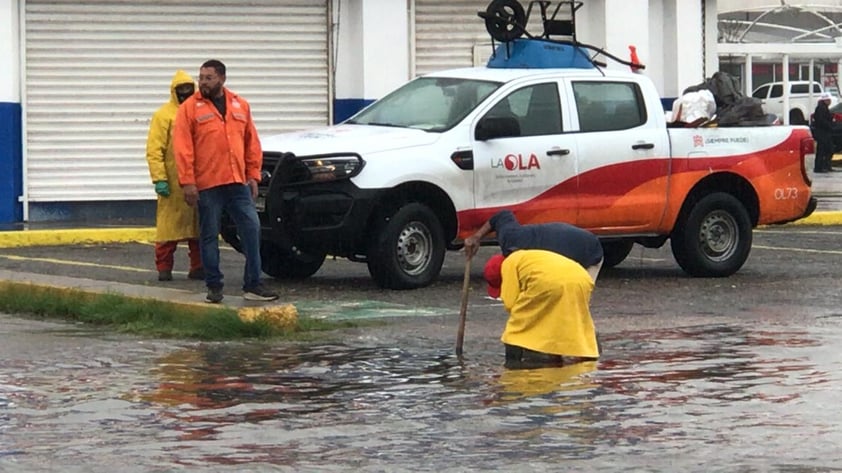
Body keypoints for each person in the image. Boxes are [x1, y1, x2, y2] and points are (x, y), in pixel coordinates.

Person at [173, 59, 278, 303]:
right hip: (208, 184)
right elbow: (183, 148)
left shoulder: (240, 105)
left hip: (237, 182)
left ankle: (253, 284)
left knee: (252, 229)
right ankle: (214, 287)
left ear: (222, 78)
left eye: (208, 78)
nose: (203, 82)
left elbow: (252, 142)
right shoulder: (189, 108)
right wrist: (187, 182)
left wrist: (253, 175)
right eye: (201, 77)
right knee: (209, 234)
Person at [484, 250, 600, 369]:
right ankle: (584, 352)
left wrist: (528, 327)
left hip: (548, 282)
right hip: (582, 277)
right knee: (569, 315)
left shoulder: (508, 265)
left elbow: (510, 302)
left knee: (517, 326)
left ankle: (515, 362)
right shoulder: (527, 256)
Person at [145, 70, 204, 282]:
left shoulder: (200, 112)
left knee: (198, 228)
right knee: (168, 229)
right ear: (174, 92)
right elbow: (155, 149)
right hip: (172, 182)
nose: (185, 94)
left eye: (189, 89)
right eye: (181, 90)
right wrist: (159, 178)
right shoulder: (163, 115)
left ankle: (198, 267)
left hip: (198, 180)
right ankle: (164, 268)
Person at [464, 210, 604, 282]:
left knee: (573, 301)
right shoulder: (510, 238)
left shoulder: (541, 265)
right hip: (566, 242)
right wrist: (476, 237)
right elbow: (502, 215)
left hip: (589, 252)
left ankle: (587, 337)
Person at [811, 92, 835, 173]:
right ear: (825, 100)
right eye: (829, 100)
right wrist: (829, 125)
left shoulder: (824, 107)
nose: (830, 101)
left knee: (828, 149)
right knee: (822, 150)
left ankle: (825, 166)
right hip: (822, 133)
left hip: (825, 132)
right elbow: (821, 120)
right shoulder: (821, 108)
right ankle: (819, 167)